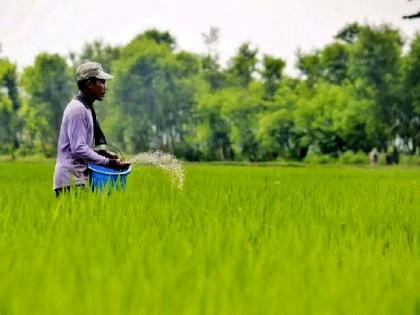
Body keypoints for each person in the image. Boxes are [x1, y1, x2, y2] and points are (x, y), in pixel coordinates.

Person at [53, 61, 130, 197]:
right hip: (70, 181)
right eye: (102, 82)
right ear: (90, 84)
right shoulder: (77, 110)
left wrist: (106, 154)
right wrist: (109, 162)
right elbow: (79, 148)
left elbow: (84, 146)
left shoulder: (87, 108)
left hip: (78, 179)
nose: (104, 87)